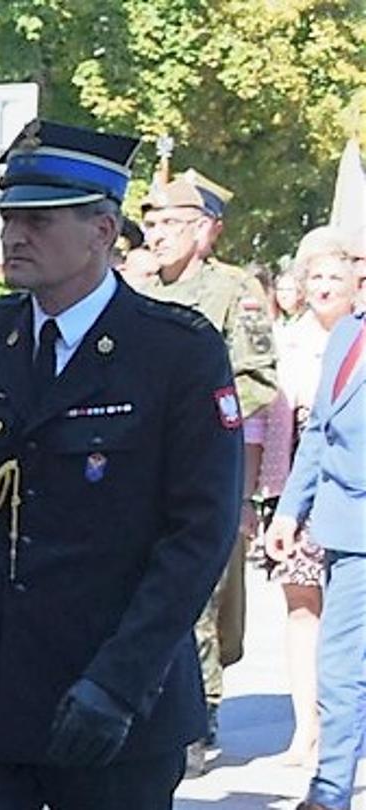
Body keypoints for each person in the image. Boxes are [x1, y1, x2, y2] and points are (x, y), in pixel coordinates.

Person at [0, 119, 241, 808]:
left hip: (113, 699)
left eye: (37, 220)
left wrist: (120, 682)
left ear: (102, 231)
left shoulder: (175, 352)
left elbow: (200, 535)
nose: (13, 235)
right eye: (11, 217)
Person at [139, 168, 280, 775]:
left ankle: (198, 715)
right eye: (150, 223)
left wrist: (195, 421)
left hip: (197, 462)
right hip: (130, 465)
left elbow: (257, 379)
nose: (156, 235)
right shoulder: (129, 285)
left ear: (206, 233)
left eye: (170, 224)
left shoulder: (233, 290)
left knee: (196, 593)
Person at [254, 245, 361, 766]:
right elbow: (308, 427)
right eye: (313, 275)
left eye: (335, 275)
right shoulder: (315, 339)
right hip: (319, 500)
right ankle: (318, 754)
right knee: (317, 629)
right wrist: (285, 507)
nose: (323, 285)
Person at [277, 265, 366, 810]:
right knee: (339, 669)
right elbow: (319, 432)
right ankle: (330, 790)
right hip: (345, 528)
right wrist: (290, 510)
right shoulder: (347, 335)